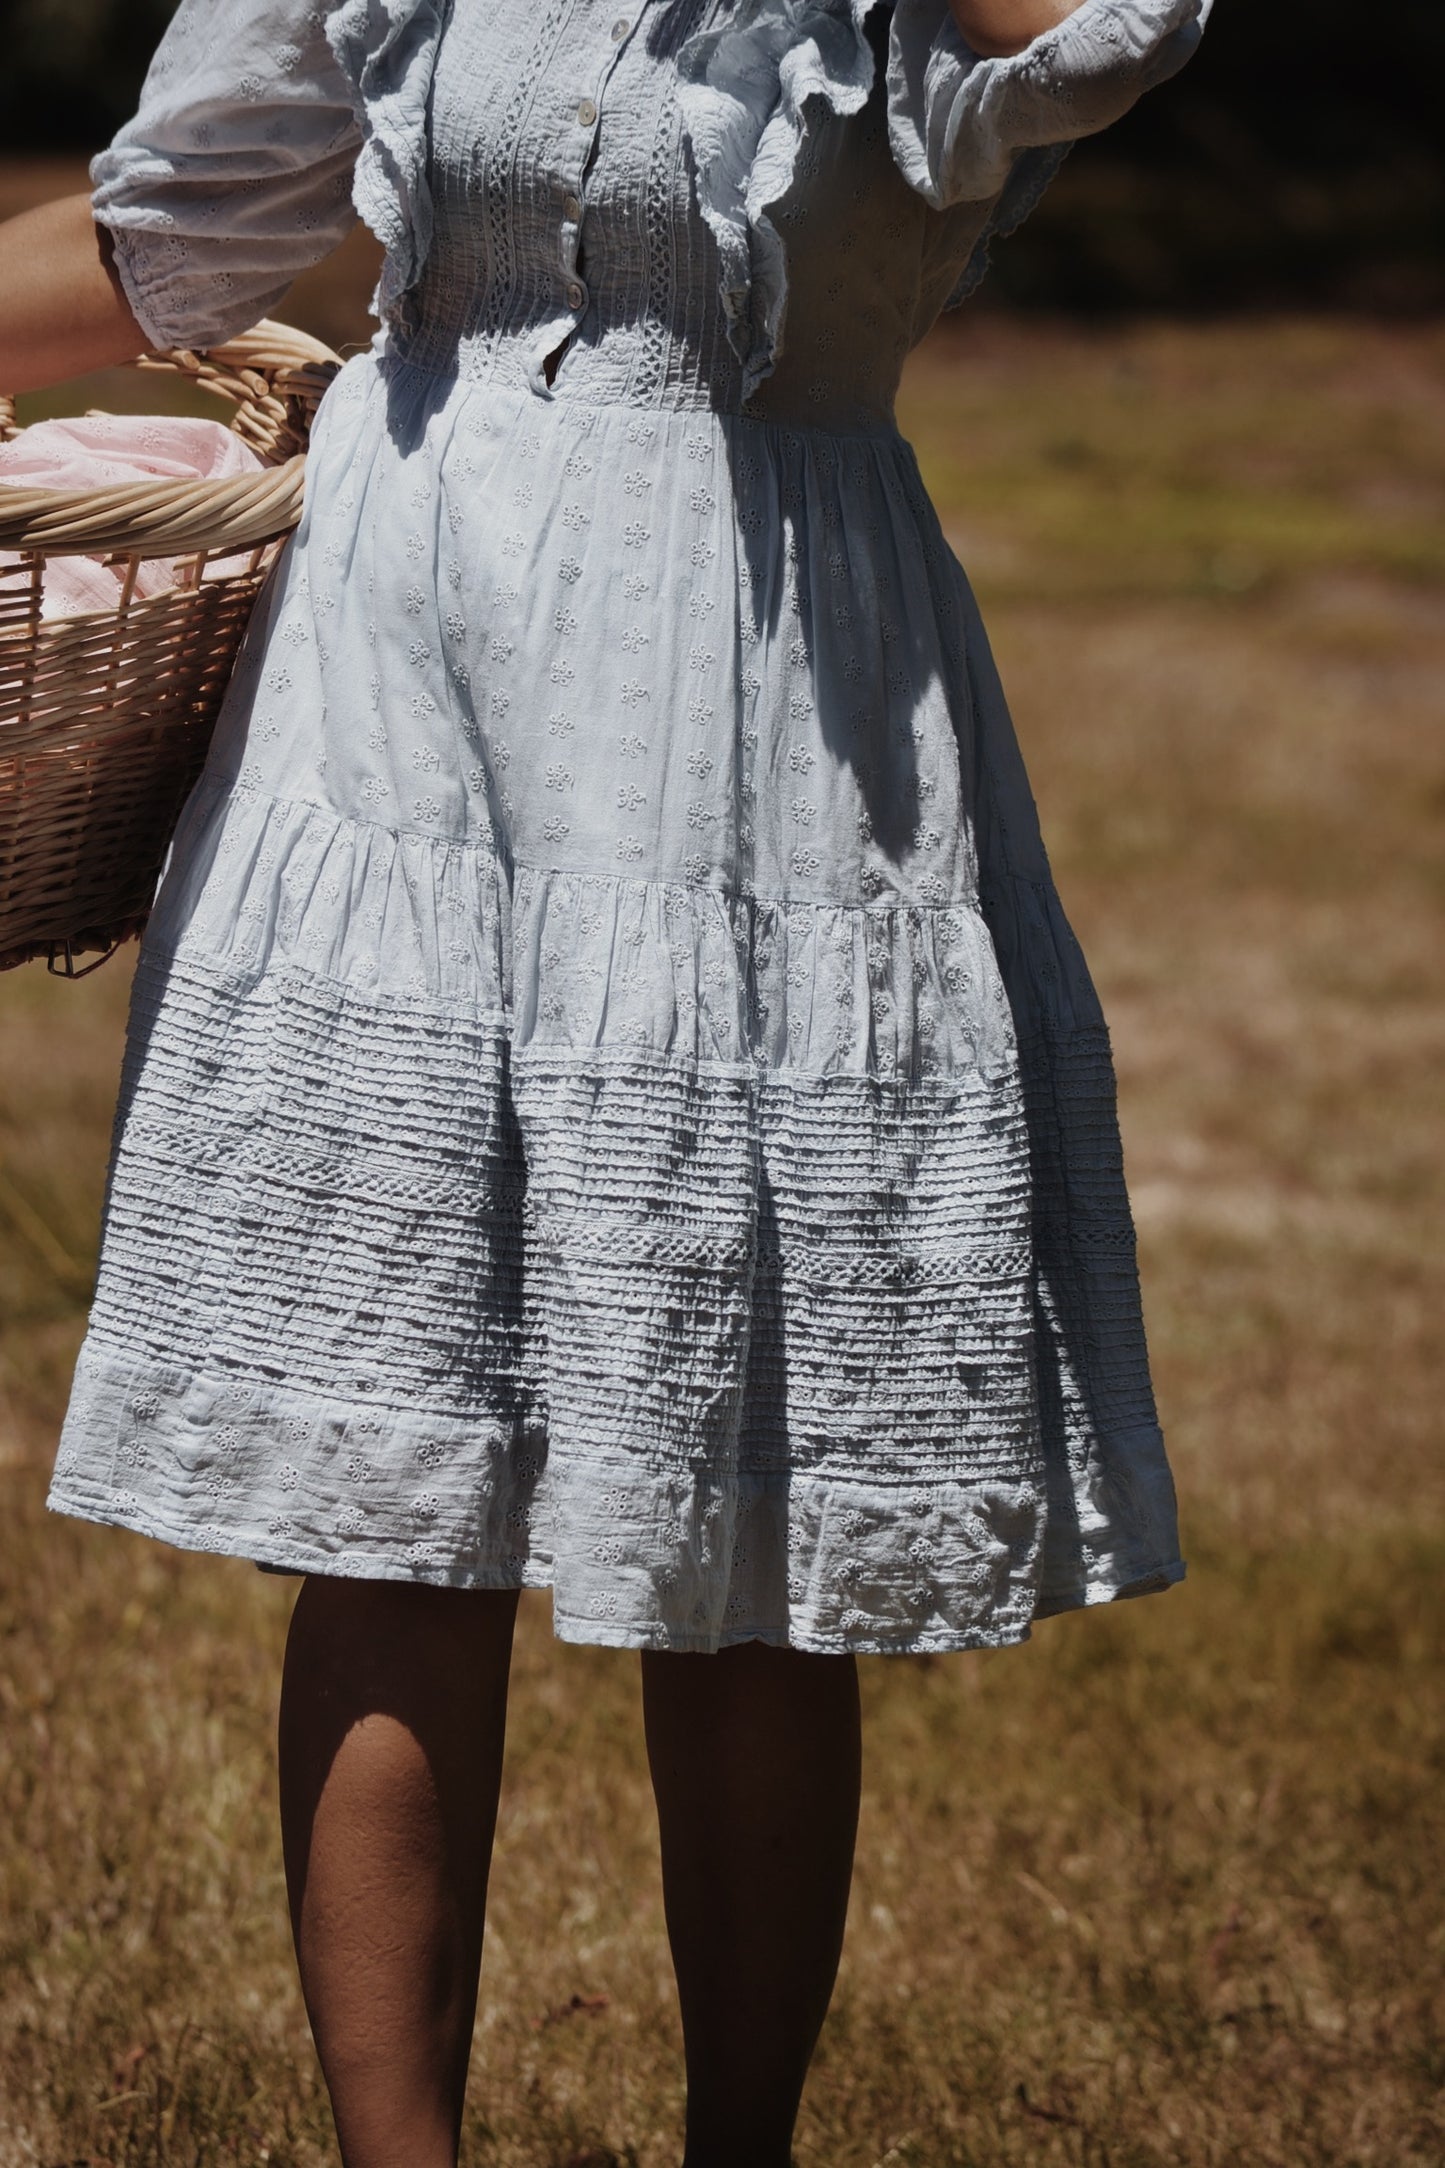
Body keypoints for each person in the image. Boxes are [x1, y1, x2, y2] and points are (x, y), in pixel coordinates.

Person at [0, 0, 1212, 2160]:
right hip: (401, 724)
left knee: (740, 1528)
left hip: (750, 734)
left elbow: (1105, 36)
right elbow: (166, 230)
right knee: (388, 1500)